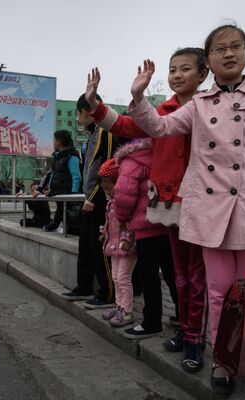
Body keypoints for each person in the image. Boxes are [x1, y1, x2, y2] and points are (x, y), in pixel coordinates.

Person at [124, 25, 245, 399]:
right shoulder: (198, 104)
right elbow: (161, 127)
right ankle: (224, 361)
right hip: (209, 211)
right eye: (219, 49)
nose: (228, 54)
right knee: (218, 293)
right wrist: (139, 96)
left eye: (235, 47)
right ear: (209, 60)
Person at [87, 48, 210, 372]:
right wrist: (95, 102)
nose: (177, 74)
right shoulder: (163, 112)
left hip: (201, 203)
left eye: (185, 68)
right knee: (180, 277)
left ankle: (196, 338)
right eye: (172, 69)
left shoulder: (211, 108)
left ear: (202, 75)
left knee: (194, 277)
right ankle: (186, 331)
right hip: (168, 206)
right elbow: (125, 125)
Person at [61, 93, 119, 309]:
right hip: (90, 200)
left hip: (100, 200)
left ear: (86, 111)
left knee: (99, 248)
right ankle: (84, 286)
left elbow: (109, 168)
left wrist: (94, 197)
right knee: (85, 244)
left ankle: (107, 293)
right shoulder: (93, 135)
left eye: (79, 113)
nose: (78, 119)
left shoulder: (106, 131)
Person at [97, 158, 138, 327]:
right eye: (104, 188)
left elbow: (131, 223)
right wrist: (103, 233)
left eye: (109, 187)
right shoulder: (111, 203)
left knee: (123, 278)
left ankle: (127, 311)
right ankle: (119, 306)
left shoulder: (124, 202)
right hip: (114, 246)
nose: (107, 191)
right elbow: (110, 225)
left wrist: (127, 239)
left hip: (126, 247)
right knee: (115, 277)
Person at [43, 130, 82, 234]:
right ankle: (56, 224)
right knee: (61, 209)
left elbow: (76, 176)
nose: (53, 142)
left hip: (68, 193)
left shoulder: (71, 156)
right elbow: (53, 174)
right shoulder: (58, 157)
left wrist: (74, 194)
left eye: (54, 140)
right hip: (59, 192)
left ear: (59, 142)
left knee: (68, 214)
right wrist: (50, 188)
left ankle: (68, 228)